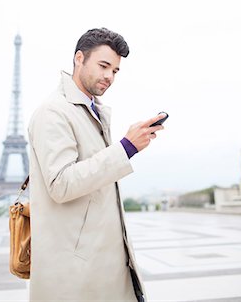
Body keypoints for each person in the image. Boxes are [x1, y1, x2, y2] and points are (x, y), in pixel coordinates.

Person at [28, 27, 165, 302]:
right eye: (104, 66)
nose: (109, 76)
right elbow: (61, 184)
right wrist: (126, 148)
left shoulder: (91, 110)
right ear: (79, 58)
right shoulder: (53, 111)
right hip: (76, 273)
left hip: (103, 262)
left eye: (115, 70)